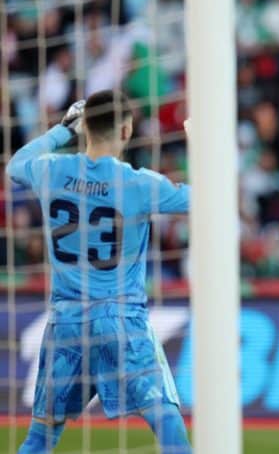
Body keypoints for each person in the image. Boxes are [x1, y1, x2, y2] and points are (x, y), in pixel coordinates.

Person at [8, 90, 191, 454]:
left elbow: (15, 166)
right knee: (166, 420)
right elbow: (205, 199)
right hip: (120, 319)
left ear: (86, 126)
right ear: (126, 131)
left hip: (66, 323)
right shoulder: (140, 183)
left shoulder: (51, 170)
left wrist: (62, 131)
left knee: (40, 438)